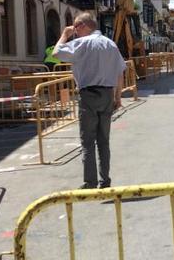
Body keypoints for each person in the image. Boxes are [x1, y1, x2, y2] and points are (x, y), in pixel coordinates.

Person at [53, 13, 127, 190]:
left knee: (87, 141)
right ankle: (105, 180)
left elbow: (56, 53)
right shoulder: (111, 44)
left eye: (75, 28)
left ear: (82, 26)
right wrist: (117, 97)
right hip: (107, 95)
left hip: (88, 95)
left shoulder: (81, 43)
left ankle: (90, 182)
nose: (75, 32)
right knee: (104, 141)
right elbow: (119, 73)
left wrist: (64, 35)